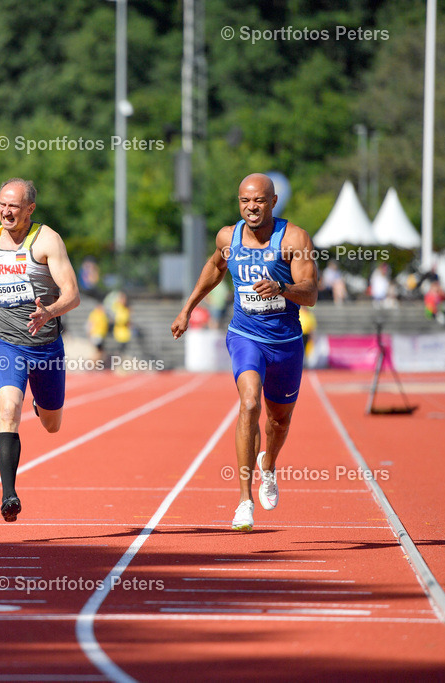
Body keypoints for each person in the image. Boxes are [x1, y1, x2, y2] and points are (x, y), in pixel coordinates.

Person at [171, 173, 318, 532]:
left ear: (273, 202)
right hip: (245, 335)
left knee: (279, 421)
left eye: (259, 201)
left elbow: (311, 293)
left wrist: (282, 287)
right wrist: (187, 309)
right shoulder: (228, 237)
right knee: (249, 403)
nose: (251, 207)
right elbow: (215, 268)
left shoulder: (294, 239)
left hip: (285, 342)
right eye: (245, 201)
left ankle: (269, 466)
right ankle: (243, 501)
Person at [0, 178, 80, 522]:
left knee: (52, 425)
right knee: (8, 410)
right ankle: (9, 495)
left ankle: (40, 404)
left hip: (45, 348)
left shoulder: (47, 241)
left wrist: (49, 312)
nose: (6, 211)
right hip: (7, 343)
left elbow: (73, 295)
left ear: (30, 209)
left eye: (13, 206)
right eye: (2, 204)